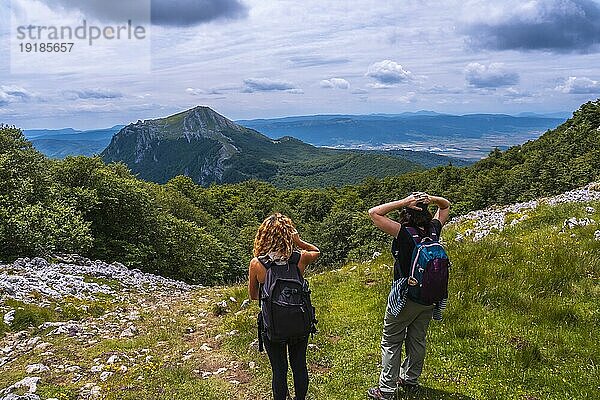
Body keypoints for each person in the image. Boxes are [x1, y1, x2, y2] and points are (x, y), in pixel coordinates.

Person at [367, 192, 451, 399]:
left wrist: (404, 202)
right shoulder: (433, 229)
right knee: (417, 339)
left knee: (391, 341)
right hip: (430, 297)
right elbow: (446, 206)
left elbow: (374, 213)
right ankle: (410, 378)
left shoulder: (404, 232)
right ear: (427, 212)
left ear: (407, 213)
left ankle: (386, 390)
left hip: (405, 297)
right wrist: (432, 198)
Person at [248, 213, 320, 400]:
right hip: (299, 322)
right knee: (299, 366)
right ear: (288, 235)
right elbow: (317, 251)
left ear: (264, 235)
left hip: (273, 326)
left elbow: (254, 295)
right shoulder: (300, 258)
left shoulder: (257, 264)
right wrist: (299, 240)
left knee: (279, 370)